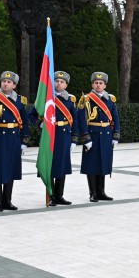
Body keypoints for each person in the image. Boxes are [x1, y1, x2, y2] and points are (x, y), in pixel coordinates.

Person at [0, 71, 30, 212]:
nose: (5, 83)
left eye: (9, 82)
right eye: (3, 81)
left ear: (14, 85)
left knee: (11, 170)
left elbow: (24, 122)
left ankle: (7, 200)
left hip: (13, 138)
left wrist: (24, 140)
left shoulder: (20, 101)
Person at [78, 71, 119, 202]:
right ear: (92, 84)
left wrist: (116, 135)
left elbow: (115, 118)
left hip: (106, 135)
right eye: (96, 83)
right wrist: (86, 138)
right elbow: (81, 119)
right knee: (92, 164)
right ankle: (93, 193)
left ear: (105, 85)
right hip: (92, 135)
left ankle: (101, 192)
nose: (98, 85)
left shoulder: (110, 99)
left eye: (101, 83)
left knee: (103, 163)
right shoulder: (86, 99)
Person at [46, 71, 76, 205]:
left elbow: (75, 120)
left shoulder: (70, 100)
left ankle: (59, 195)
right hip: (50, 135)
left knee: (62, 166)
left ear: (66, 85)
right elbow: (32, 114)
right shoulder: (47, 98)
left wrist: (74, 139)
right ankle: (51, 195)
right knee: (50, 166)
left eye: (62, 82)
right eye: (56, 81)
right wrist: (41, 124)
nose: (59, 83)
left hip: (64, 136)